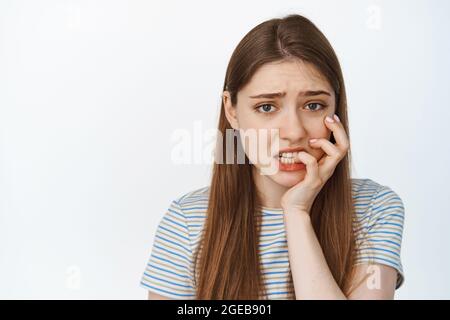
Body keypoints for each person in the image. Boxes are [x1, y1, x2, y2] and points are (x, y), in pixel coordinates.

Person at [140, 13, 405, 300]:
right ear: (232, 111)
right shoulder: (188, 221)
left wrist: (296, 212)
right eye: (267, 107)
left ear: (336, 108)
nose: (293, 132)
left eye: (314, 105)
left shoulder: (374, 208)